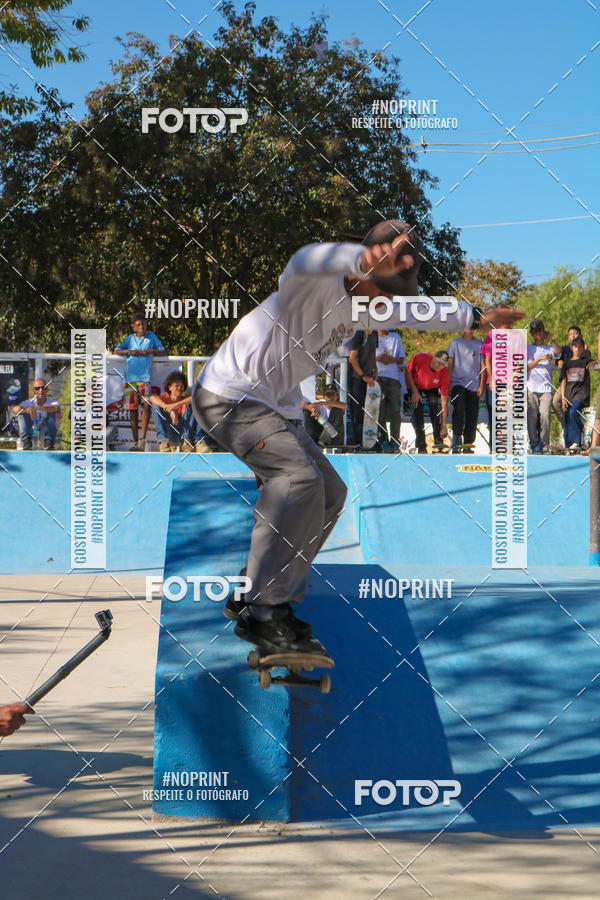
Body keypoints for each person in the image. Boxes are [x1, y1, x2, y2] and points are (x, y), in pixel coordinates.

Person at [192, 220, 525, 657]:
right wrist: (356, 256)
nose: (389, 305)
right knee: (298, 479)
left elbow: (420, 311)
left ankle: (255, 587)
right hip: (230, 396)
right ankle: (263, 612)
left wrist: (478, 318)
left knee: (331, 492)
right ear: (363, 275)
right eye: (384, 293)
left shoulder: (370, 304)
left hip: (277, 408)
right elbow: (303, 259)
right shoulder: (309, 287)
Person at [113, 312, 166, 451]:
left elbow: (163, 351)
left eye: (143, 324)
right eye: (138, 325)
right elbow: (116, 351)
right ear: (133, 327)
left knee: (146, 405)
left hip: (145, 378)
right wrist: (129, 351)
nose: (142, 326)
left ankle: (143, 440)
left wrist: (150, 351)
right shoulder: (129, 339)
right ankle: (135, 442)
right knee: (132, 410)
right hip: (130, 379)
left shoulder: (151, 337)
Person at [406, 350, 450, 453]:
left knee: (434, 406)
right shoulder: (421, 358)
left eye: (443, 364)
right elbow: (407, 371)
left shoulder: (444, 373)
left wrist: (444, 426)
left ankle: (438, 439)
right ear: (433, 358)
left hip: (431, 386)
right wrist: (414, 391)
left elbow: (444, 402)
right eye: (438, 362)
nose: (440, 366)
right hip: (414, 383)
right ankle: (421, 443)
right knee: (418, 408)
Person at [447, 329, 484, 453]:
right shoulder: (455, 343)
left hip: (474, 384)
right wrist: (449, 383)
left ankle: (468, 443)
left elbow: (483, 365)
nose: (470, 331)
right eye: (467, 327)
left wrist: (481, 385)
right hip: (458, 383)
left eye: (472, 328)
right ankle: (456, 439)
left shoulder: (479, 344)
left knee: (472, 414)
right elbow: (450, 364)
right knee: (459, 408)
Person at [527, 318, 559, 453]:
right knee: (532, 415)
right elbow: (526, 366)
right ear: (532, 334)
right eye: (535, 332)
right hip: (532, 387)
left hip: (546, 388)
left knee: (545, 414)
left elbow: (558, 352)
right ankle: (534, 444)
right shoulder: (528, 348)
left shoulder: (549, 348)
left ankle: (544, 443)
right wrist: (540, 358)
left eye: (539, 331)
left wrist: (550, 339)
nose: (537, 334)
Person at [552, 326, 592, 425]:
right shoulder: (566, 349)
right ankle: (566, 425)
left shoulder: (584, 350)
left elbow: (588, 360)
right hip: (566, 381)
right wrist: (559, 361)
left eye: (575, 333)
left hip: (579, 383)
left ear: (580, 335)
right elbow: (558, 356)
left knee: (575, 407)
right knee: (555, 402)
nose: (573, 335)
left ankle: (574, 427)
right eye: (570, 334)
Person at [149, 370, 197, 452]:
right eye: (176, 386)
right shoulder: (164, 397)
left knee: (194, 404)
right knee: (155, 406)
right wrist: (169, 409)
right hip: (169, 432)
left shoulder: (185, 399)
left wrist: (175, 405)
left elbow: (195, 398)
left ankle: (187, 442)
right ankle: (163, 441)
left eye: (182, 386)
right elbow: (152, 398)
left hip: (183, 432)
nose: (179, 388)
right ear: (170, 387)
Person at [11, 379, 62, 450]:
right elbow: (14, 409)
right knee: (21, 413)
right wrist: (26, 409)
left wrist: (36, 408)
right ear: (34, 391)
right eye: (37, 388)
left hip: (46, 428)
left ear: (47, 389)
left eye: (43, 388)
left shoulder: (53, 402)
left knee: (50, 411)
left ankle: (48, 441)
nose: (41, 391)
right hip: (31, 427)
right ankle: (26, 440)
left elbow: (56, 408)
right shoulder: (28, 402)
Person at [347, 329, 378, 445]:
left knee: (369, 410)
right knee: (357, 411)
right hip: (357, 377)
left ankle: (368, 441)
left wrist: (375, 368)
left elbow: (373, 352)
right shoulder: (359, 333)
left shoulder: (375, 333)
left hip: (369, 377)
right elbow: (352, 357)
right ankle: (356, 440)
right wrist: (362, 375)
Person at [376, 329, 405, 450]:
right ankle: (383, 440)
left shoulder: (395, 337)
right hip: (378, 377)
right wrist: (379, 358)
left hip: (393, 377)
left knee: (395, 411)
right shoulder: (372, 338)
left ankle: (394, 440)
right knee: (380, 411)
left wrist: (391, 359)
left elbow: (401, 358)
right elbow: (366, 358)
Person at [560, 337, 590, 451]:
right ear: (572, 347)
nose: (577, 349)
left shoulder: (585, 361)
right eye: (575, 347)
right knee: (568, 416)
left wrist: (592, 363)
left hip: (581, 394)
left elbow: (592, 361)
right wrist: (563, 396)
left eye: (580, 347)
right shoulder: (567, 363)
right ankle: (568, 443)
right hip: (569, 394)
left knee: (574, 412)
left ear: (583, 348)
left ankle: (578, 440)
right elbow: (563, 380)